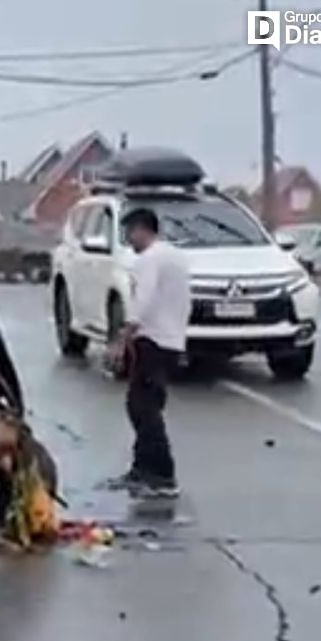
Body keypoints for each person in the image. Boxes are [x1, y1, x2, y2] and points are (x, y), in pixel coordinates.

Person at [104, 207, 191, 498]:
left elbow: (143, 300)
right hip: (171, 339)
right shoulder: (175, 257)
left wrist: (122, 337)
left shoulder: (149, 259)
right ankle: (142, 469)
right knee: (144, 403)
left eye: (130, 232)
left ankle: (162, 474)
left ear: (143, 229)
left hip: (151, 339)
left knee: (144, 408)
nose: (129, 240)